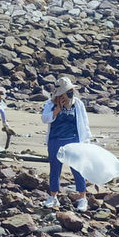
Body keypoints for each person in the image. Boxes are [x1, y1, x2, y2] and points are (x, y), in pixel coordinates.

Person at [41, 77, 91, 212]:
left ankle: (82, 198)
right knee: (55, 169)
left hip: (74, 140)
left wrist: (86, 141)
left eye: (71, 91)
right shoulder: (50, 104)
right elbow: (45, 119)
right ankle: (53, 197)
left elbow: (84, 124)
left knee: (77, 169)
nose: (70, 94)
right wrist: (56, 110)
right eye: (67, 92)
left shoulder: (78, 104)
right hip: (55, 140)